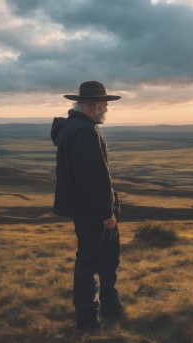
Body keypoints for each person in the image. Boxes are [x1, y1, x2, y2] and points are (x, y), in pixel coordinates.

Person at [51, 81, 124, 332]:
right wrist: (106, 212)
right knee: (91, 263)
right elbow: (90, 177)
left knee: (104, 259)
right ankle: (88, 320)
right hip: (94, 212)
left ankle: (109, 308)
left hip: (88, 209)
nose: (106, 109)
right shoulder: (84, 131)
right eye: (104, 104)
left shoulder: (75, 127)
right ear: (93, 106)